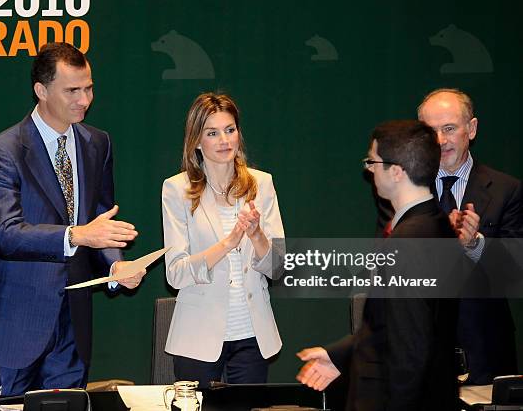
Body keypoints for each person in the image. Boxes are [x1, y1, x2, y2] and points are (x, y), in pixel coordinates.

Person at [0, 42, 146, 396]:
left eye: (89, 88)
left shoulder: (99, 143)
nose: (84, 99)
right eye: (72, 90)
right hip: (14, 327)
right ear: (41, 91)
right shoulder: (3, 152)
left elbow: (100, 218)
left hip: (73, 332)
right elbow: (6, 234)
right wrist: (77, 235)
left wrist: (115, 267)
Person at [297, 120, 460, 410]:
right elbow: (395, 327)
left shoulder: (406, 243)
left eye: (373, 162)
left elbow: (410, 351)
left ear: (396, 172)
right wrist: (341, 355)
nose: (369, 169)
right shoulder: (438, 226)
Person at [376, 89, 522, 384]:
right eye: (431, 131)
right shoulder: (399, 189)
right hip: (418, 350)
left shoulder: (507, 190)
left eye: (450, 129)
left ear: (472, 128)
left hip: (485, 353)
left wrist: (475, 244)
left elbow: (514, 272)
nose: (440, 141)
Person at [161, 92, 284, 387]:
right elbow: (175, 273)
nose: (224, 140)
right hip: (198, 337)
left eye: (230, 130)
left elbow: (278, 267)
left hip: (253, 335)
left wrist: (255, 236)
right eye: (212, 133)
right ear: (197, 141)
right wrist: (228, 243)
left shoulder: (261, 184)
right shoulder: (177, 189)